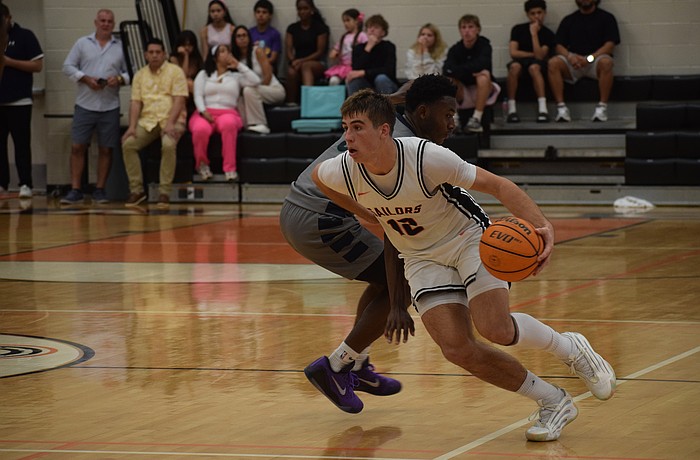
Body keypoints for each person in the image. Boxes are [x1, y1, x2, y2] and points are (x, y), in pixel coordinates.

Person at [310, 88, 617, 441]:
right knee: (456, 348)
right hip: (421, 257)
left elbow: (498, 185)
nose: (347, 136)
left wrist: (542, 225)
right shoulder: (342, 170)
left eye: (358, 127)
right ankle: (552, 401)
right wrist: (366, 214)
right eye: (346, 126)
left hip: (469, 239)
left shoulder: (426, 157)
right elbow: (319, 178)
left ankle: (571, 349)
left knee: (496, 329)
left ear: (384, 131)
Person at [281, 75, 460, 415]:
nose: (452, 123)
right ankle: (335, 366)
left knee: (387, 280)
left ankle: (357, 363)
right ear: (421, 111)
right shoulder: (400, 147)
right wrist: (398, 303)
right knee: (401, 283)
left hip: (305, 210)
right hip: (321, 219)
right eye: (447, 113)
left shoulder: (387, 123)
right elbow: (394, 232)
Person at [60, 9, 129, 205]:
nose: (105, 24)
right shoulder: (82, 43)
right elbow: (68, 66)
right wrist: (85, 78)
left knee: (106, 149)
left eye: (109, 21)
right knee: (77, 146)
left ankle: (100, 189)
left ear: (113, 24)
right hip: (85, 104)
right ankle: (75, 189)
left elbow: (131, 73)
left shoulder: (121, 47)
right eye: (102, 21)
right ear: (95, 22)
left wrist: (119, 79)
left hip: (110, 105)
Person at [121, 38, 188, 209]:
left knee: (167, 145)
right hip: (148, 120)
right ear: (145, 55)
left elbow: (179, 99)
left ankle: (164, 192)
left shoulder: (175, 72)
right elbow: (135, 102)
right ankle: (137, 190)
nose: (155, 55)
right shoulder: (140, 75)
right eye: (151, 52)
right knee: (128, 144)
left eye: (158, 52)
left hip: (172, 119)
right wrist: (131, 127)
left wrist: (171, 123)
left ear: (164, 54)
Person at [191, 44, 260, 182]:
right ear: (214, 57)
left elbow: (256, 81)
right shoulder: (203, 74)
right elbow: (197, 95)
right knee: (200, 129)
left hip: (228, 112)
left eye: (228, 51)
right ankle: (202, 166)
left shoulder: (236, 76)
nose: (227, 54)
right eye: (222, 51)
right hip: (206, 112)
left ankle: (230, 169)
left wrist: (239, 65)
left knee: (229, 125)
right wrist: (203, 111)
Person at [547, 0, 620, 122]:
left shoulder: (607, 18)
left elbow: (610, 45)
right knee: (553, 63)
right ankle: (561, 109)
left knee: (607, 62)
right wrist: (570, 57)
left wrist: (589, 58)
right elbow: (558, 45)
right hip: (574, 62)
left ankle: (601, 108)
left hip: (595, 60)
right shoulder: (569, 20)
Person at [0, 3, 43, 198]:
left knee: (21, 144)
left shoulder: (25, 35)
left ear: (8, 17)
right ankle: (2, 184)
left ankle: (26, 183)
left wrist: (9, 62)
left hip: (19, 101)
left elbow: (37, 65)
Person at [443, 14, 500, 133]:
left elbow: (483, 64)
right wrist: (469, 71)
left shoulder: (484, 45)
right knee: (448, 80)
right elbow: (447, 69)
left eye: (470, 27)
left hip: (483, 89)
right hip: (463, 90)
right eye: (463, 27)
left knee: (483, 76)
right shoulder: (455, 49)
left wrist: (459, 70)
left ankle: (476, 119)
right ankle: (455, 119)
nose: (467, 31)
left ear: (478, 29)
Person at [505, 0, 556, 123]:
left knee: (534, 67)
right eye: (533, 13)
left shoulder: (548, 34)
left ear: (544, 13)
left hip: (538, 65)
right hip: (520, 62)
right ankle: (511, 109)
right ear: (528, 15)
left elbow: (539, 57)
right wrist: (531, 54)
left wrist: (534, 35)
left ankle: (543, 109)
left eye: (539, 12)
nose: (536, 16)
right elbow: (513, 52)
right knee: (514, 67)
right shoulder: (518, 29)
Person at [232, 25, 285, 135]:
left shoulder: (257, 51)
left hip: (273, 90)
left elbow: (268, 75)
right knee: (240, 94)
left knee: (248, 90)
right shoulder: (235, 60)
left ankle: (261, 124)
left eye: (244, 35)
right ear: (234, 40)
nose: (242, 38)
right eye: (238, 36)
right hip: (255, 92)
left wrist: (258, 89)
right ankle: (244, 126)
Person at [284, 0, 329, 105]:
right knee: (291, 72)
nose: (302, 12)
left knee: (306, 66)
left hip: (317, 62)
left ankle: (309, 103)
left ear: (311, 10)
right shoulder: (292, 28)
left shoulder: (320, 28)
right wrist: (293, 60)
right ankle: (291, 103)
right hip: (297, 61)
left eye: (305, 8)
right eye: (300, 9)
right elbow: (289, 49)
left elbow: (320, 51)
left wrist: (301, 61)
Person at [346, 14, 398, 96]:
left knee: (380, 79)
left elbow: (389, 70)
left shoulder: (389, 46)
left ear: (383, 32)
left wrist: (364, 72)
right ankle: (354, 108)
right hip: (366, 84)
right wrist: (368, 48)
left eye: (376, 27)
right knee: (353, 80)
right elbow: (355, 69)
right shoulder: (358, 48)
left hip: (386, 85)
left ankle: (387, 108)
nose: (372, 30)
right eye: (369, 27)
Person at [324, 9, 367, 86]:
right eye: (344, 21)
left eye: (348, 20)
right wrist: (334, 53)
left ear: (357, 20)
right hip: (343, 67)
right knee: (333, 81)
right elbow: (333, 53)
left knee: (350, 82)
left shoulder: (362, 36)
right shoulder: (344, 37)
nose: (345, 23)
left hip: (354, 67)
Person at [170, 30, 204, 117]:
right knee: (188, 83)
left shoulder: (196, 59)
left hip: (194, 87)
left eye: (189, 45)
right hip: (178, 87)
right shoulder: (174, 59)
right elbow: (182, 76)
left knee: (190, 83)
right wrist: (186, 56)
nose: (187, 48)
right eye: (184, 45)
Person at [249, 0, 282, 72]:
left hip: (268, 66)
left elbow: (273, 58)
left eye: (264, 12)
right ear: (254, 14)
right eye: (258, 12)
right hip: (252, 67)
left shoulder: (275, 34)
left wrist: (260, 65)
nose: (261, 15)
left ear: (270, 15)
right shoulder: (250, 32)